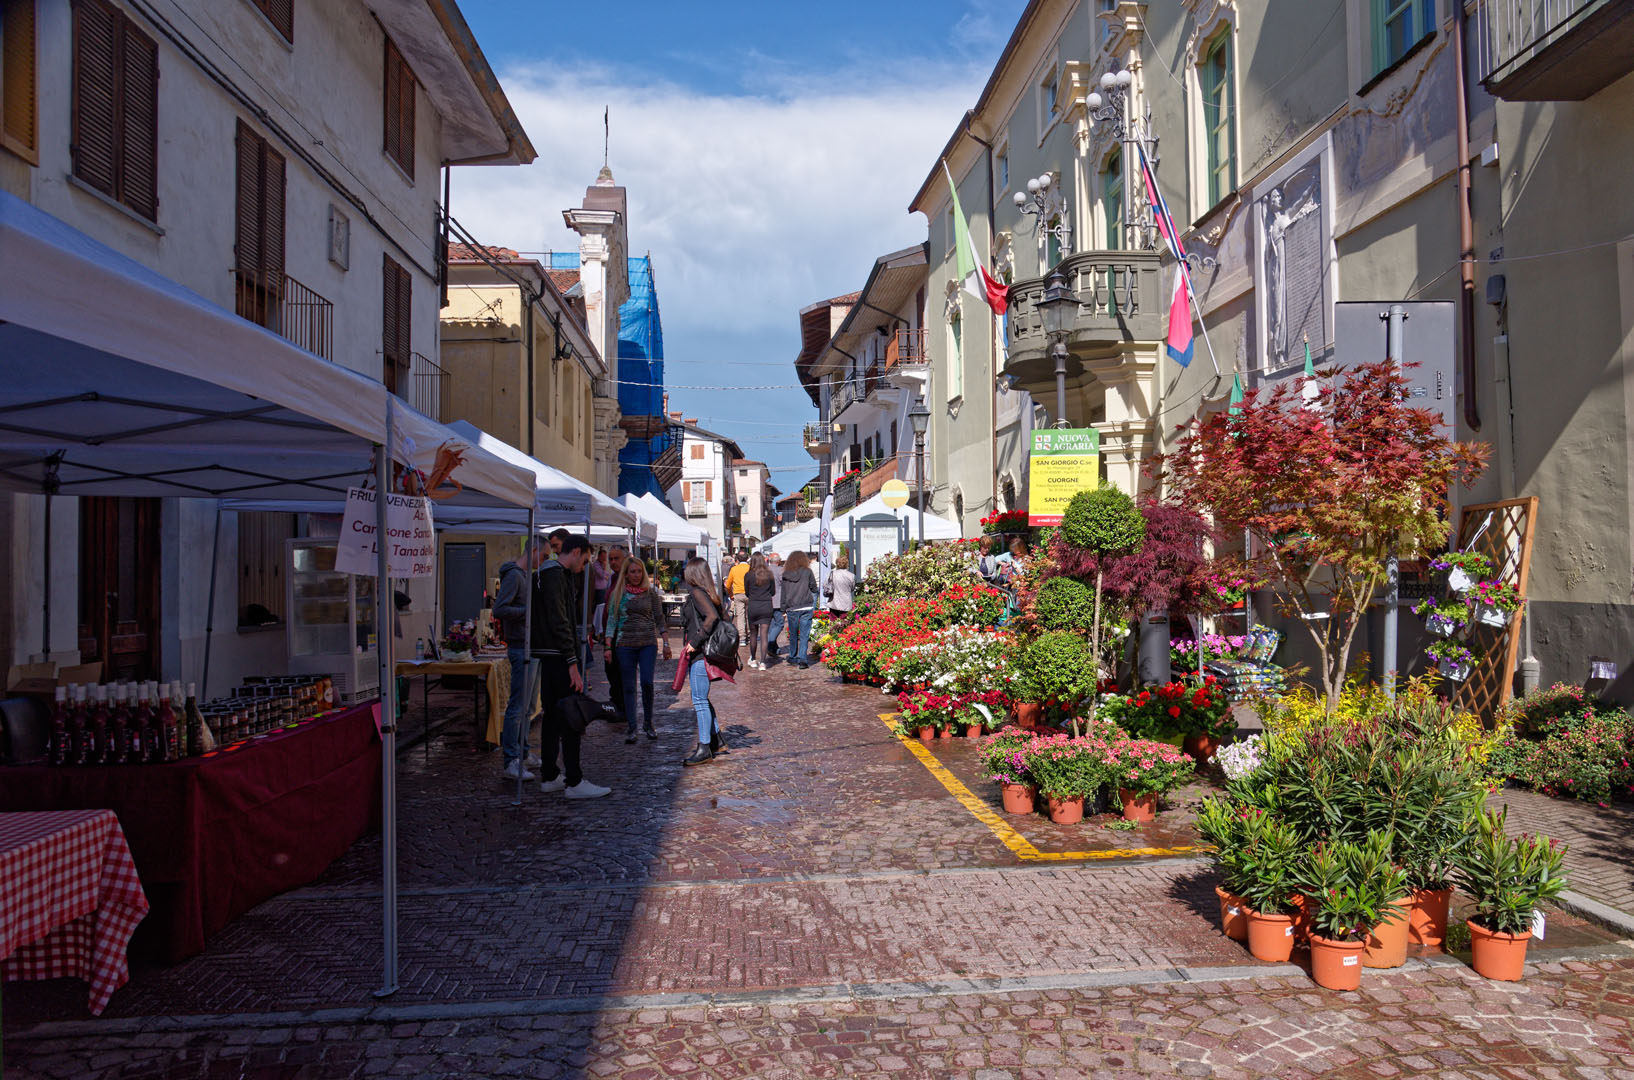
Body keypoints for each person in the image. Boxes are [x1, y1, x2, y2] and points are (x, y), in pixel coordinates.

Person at [532, 534, 609, 798]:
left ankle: (551, 775)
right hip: (558, 656)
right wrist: (572, 662)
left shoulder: (551, 574)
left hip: (552, 654)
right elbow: (560, 620)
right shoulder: (555, 575)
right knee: (571, 715)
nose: (585, 565)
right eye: (586, 559)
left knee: (553, 716)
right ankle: (573, 780)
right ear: (576, 551)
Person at [492, 537, 547, 780]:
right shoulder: (515, 576)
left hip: (531, 645)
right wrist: (529, 613)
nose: (543, 561)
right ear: (533, 550)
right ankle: (511, 759)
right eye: (543, 556)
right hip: (520, 647)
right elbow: (499, 610)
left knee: (529, 707)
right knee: (518, 706)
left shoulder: (527, 576)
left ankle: (523, 753)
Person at [605, 557, 669, 743]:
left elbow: (660, 619)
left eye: (639, 571)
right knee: (629, 686)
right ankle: (632, 726)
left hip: (647, 643)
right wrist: (607, 646)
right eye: (632, 571)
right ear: (626, 574)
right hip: (625, 645)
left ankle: (648, 722)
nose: (636, 575)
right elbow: (612, 621)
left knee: (647, 682)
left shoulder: (651, 595)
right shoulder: (619, 594)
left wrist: (665, 643)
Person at [680, 557, 728, 766]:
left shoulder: (697, 593)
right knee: (702, 698)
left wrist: (695, 641)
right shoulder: (708, 593)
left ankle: (704, 747)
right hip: (702, 652)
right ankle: (716, 739)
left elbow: (711, 618)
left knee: (699, 700)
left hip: (700, 652)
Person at [598, 547, 628, 724]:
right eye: (610, 559)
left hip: (621, 636)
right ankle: (617, 705)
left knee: (619, 674)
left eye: (616, 559)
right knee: (611, 672)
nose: (612, 562)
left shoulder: (627, 579)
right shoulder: (614, 579)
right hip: (611, 635)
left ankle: (622, 708)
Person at [781, 550, 818, 669]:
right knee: (804, 634)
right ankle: (803, 659)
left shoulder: (786, 574)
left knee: (793, 634)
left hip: (792, 607)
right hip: (806, 605)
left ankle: (792, 656)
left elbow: (784, 593)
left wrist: (783, 608)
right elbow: (813, 587)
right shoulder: (807, 572)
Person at [743, 553, 776, 670]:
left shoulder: (748, 575)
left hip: (753, 605)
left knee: (753, 634)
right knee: (764, 635)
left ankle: (753, 659)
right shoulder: (769, 574)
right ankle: (762, 662)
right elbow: (773, 591)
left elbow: (746, 592)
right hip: (766, 605)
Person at [723, 550, 750, 663]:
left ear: (737, 559)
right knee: (748, 615)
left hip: (738, 594)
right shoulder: (750, 568)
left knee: (740, 615)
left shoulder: (734, 569)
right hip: (750, 593)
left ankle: (742, 637)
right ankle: (748, 633)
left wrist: (730, 594)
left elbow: (728, 584)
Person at [765, 552, 785, 658]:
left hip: (766, 601)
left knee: (772, 625)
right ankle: (769, 643)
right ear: (778, 561)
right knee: (779, 623)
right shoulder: (780, 570)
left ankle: (774, 648)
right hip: (777, 601)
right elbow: (784, 584)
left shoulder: (765, 570)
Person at [825, 550, 855, 617]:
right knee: (845, 623)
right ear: (847, 564)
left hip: (834, 601)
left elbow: (825, 585)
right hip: (846, 602)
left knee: (833, 623)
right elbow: (852, 588)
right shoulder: (851, 575)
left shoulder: (832, 574)